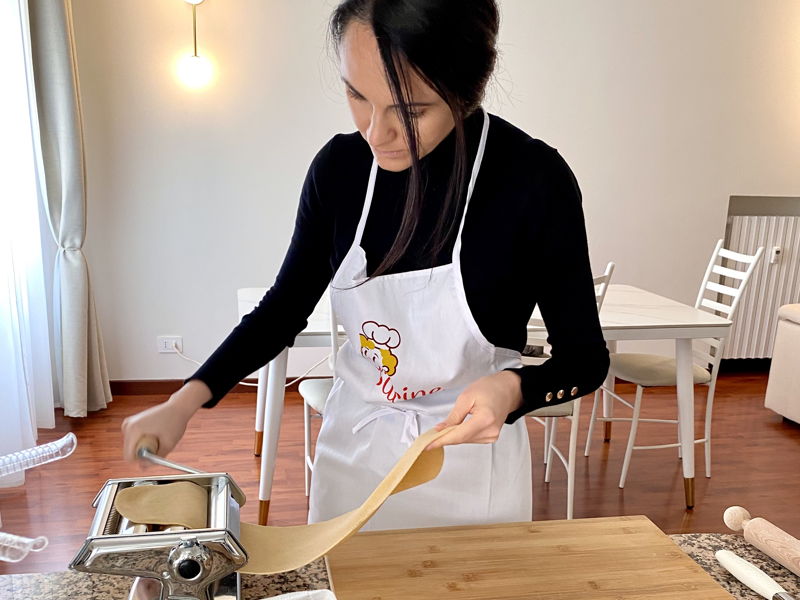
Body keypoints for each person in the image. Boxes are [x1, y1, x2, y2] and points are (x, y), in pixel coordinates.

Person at [121, 0, 609, 530]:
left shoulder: (532, 180)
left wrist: (515, 387)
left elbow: (585, 360)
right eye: (357, 96)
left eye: (411, 110)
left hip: (470, 459)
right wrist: (185, 400)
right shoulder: (340, 171)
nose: (376, 133)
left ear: (467, 91)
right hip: (355, 453)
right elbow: (281, 311)